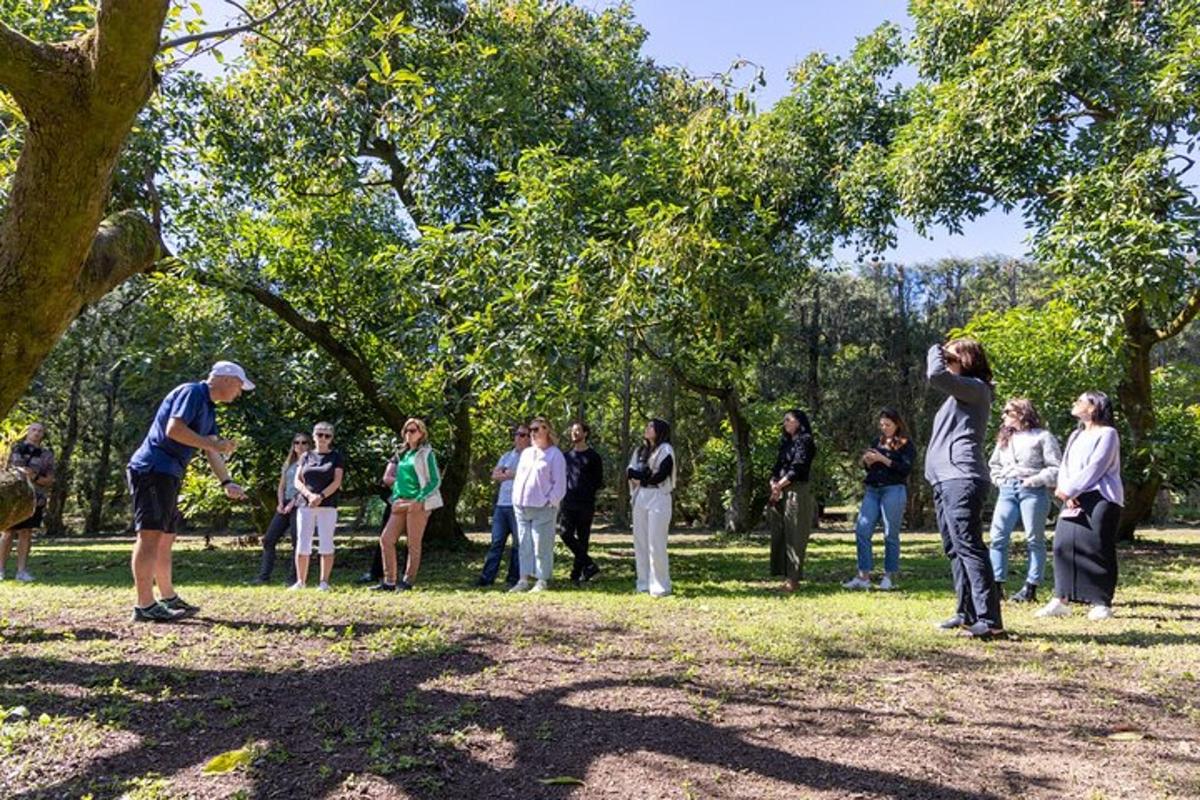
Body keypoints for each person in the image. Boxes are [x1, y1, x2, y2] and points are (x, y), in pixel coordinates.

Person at [127, 361, 251, 622]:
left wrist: (227, 482)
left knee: (166, 536)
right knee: (150, 535)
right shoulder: (193, 392)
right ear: (227, 380)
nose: (239, 393)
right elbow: (174, 430)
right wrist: (211, 442)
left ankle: (168, 597)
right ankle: (144, 605)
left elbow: (211, 449)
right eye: (240, 387)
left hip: (169, 473)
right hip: (152, 469)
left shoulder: (208, 408)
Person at [926, 339, 1004, 638]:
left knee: (969, 546)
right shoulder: (960, 393)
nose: (946, 359)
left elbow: (935, 375)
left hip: (962, 477)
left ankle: (990, 620)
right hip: (944, 479)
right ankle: (966, 613)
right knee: (955, 549)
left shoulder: (976, 387)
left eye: (951, 356)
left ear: (967, 359)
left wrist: (935, 348)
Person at [1036, 391, 1123, 621]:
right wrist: (1065, 491)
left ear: (1093, 408)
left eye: (1081, 401)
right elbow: (1064, 465)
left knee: (1097, 547)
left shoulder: (1108, 434)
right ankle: (1061, 599)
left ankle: (1100, 602)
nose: (1075, 403)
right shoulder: (1075, 435)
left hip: (1100, 498)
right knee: (1063, 544)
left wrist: (1072, 489)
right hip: (1072, 497)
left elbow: (1098, 466)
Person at [986, 398, 1061, 604]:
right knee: (998, 536)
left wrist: (1035, 480)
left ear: (1021, 414)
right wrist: (1000, 480)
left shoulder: (1043, 437)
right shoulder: (1004, 439)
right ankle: (996, 584)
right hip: (1007, 490)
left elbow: (1055, 467)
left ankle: (1031, 587)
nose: (1003, 416)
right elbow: (994, 464)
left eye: (1008, 412)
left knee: (1034, 538)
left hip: (1033, 491)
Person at [843, 408, 916, 591]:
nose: (884, 428)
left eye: (888, 425)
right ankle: (863, 576)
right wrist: (867, 461)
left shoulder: (906, 444)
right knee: (862, 530)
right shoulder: (877, 442)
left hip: (893, 490)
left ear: (897, 424)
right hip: (873, 490)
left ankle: (889, 576)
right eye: (882, 424)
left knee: (890, 533)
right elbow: (870, 468)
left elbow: (905, 469)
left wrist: (883, 459)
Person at [375, 418, 442, 591]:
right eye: (406, 430)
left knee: (413, 543)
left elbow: (435, 480)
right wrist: (396, 495)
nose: (409, 434)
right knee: (386, 539)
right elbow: (397, 479)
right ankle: (389, 581)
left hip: (417, 502)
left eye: (413, 431)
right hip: (400, 501)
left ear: (421, 433)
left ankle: (408, 581)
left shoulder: (427, 453)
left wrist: (420, 498)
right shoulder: (402, 453)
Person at [511, 417, 566, 593]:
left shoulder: (555, 454)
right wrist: (515, 499)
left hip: (543, 508)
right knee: (524, 544)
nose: (532, 433)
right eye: (531, 430)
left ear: (547, 431)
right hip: (521, 506)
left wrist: (550, 502)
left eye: (536, 429)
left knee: (541, 544)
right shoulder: (527, 453)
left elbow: (560, 484)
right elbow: (519, 477)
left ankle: (542, 579)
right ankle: (523, 579)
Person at [766, 409, 816, 593]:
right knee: (781, 534)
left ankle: (793, 580)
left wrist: (779, 485)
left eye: (789, 420)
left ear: (799, 422)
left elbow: (799, 468)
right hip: (780, 491)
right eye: (784, 420)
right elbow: (778, 465)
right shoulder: (786, 443)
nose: (785, 423)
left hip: (796, 491)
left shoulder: (805, 441)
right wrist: (774, 483)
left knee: (796, 535)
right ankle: (784, 575)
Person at [291, 421, 344, 591]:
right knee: (302, 542)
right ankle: (300, 581)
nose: (322, 438)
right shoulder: (306, 456)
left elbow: (337, 482)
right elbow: (297, 480)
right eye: (319, 434)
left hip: (327, 505)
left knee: (326, 542)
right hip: (306, 505)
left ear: (331, 438)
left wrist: (321, 496)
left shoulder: (336, 457)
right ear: (313, 436)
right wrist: (309, 495)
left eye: (327, 435)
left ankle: (323, 582)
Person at [252, 432, 310, 585]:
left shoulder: (311, 463)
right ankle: (264, 577)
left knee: (297, 542)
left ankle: (293, 578)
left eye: (304, 442)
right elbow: (281, 486)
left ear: (309, 445)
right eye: (296, 442)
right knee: (269, 539)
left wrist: (293, 503)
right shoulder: (289, 463)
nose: (300, 445)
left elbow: (308, 487)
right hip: (284, 503)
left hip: (301, 505)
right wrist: (280, 503)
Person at [627, 418, 676, 597]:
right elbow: (631, 472)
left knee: (656, 542)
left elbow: (661, 475)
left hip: (659, 496)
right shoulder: (640, 451)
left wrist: (643, 477)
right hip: (641, 495)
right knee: (640, 541)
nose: (647, 428)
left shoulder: (666, 450)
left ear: (659, 431)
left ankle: (660, 585)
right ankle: (643, 583)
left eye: (650, 426)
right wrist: (641, 477)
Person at [1, 423, 55, 582]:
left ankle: (22, 571)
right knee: (7, 532)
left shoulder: (46, 455)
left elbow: (50, 479)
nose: (36, 433)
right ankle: (1, 570)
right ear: (27, 432)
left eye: (40, 431)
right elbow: (8, 468)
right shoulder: (14, 448)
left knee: (26, 532)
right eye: (34, 430)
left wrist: (35, 477)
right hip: (12, 497)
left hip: (34, 499)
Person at [475, 424, 527, 587]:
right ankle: (487, 578)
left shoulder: (530, 457)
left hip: (519, 505)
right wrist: (509, 474)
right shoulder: (506, 456)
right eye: (517, 434)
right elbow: (495, 475)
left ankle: (513, 578)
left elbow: (526, 476)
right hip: (501, 505)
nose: (518, 437)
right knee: (496, 542)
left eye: (523, 435)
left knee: (518, 544)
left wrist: (510, 473)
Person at [560, 421, 603, 586]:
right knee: (565, 534)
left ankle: (577, 573)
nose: (574, 433)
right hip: (568, 502)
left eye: (578, 431)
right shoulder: (566, 456)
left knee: (583, 538)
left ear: (585, 433)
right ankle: (589, 564)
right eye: (573, 431)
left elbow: (598, 480)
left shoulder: (593, 456)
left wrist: (588, 491)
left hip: (586, 503)